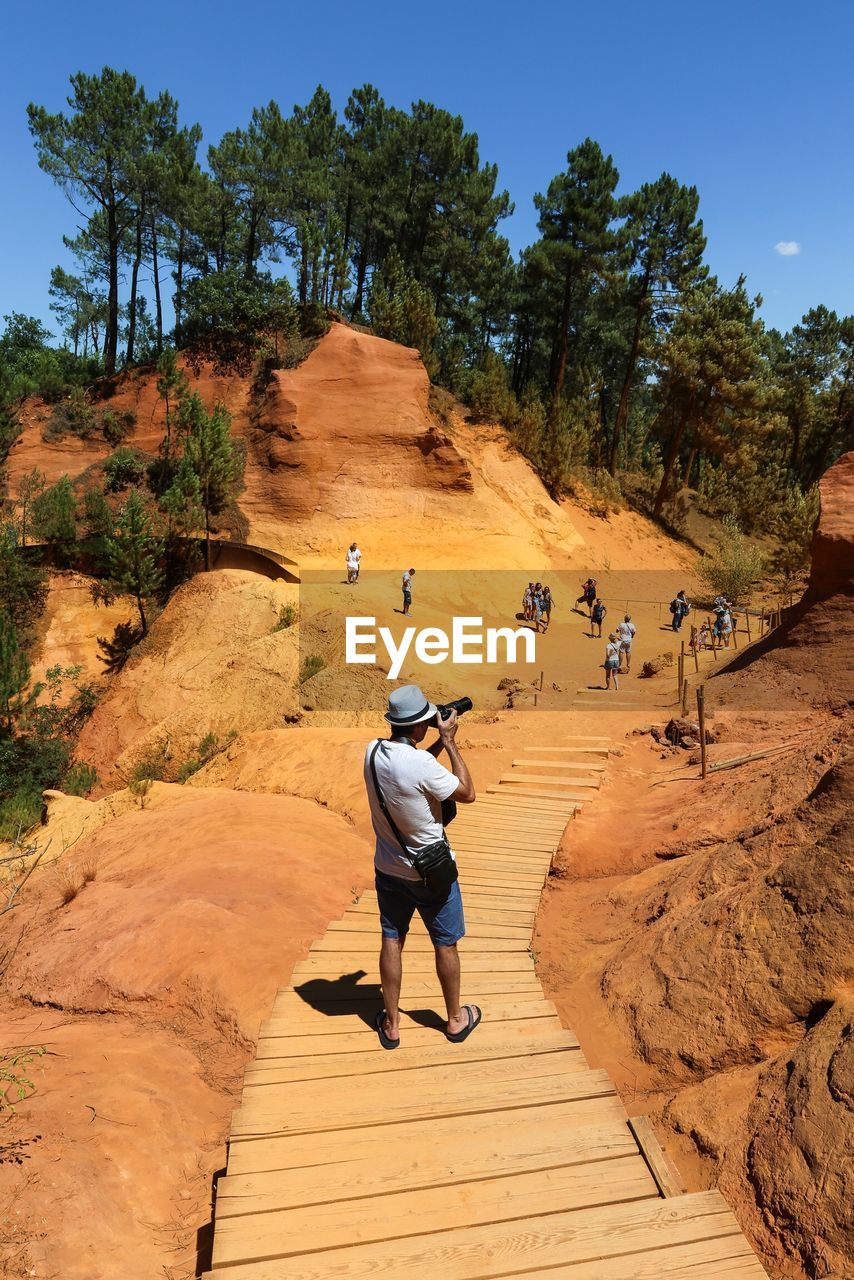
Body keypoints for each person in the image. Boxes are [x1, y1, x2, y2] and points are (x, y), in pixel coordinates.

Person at [364, 685, 479, 1049]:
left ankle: (393, 1024)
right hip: (431, 872)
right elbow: (466, 791)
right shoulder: (421, 764)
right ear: (418, 727)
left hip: (389, 869)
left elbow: (409, 767)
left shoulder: (372, 752)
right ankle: (456, 1020)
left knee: (392, 938)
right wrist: (450, 741)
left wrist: (436, 746)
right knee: (445, 943)